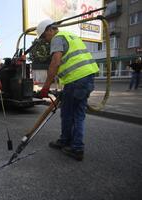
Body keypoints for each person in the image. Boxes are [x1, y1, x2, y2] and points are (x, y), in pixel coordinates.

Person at [36, 18, 99, 161]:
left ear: (50, 29)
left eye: (44, 37)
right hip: (85, 78)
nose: (45, 41)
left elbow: (55, 62)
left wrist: (46, 87)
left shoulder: (57, 38)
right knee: (71, 112)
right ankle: (66, 141)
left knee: (73, 114)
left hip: (77, 80)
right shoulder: (70, 35)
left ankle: (76, 148)